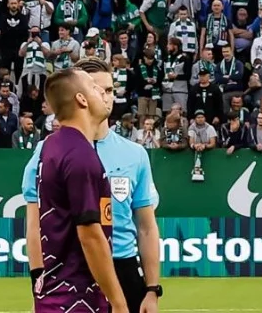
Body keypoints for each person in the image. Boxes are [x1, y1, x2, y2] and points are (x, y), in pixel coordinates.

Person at [24, 59, 164, 313]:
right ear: (81, 97)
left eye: (110, 90)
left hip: (123, 268)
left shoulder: (135, 154)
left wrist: (152, 288)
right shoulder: (53, 151)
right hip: (75, 271)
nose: (106, 96)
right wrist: (38, 279)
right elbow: (36, 224)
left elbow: (146, 227)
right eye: (97, 89)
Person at [33, 67, 132, 313]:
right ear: (81, 99)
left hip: (56, 294)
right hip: (76, 299)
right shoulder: (80, 156)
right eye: (93, 86)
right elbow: (89, 234)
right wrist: (119, 303)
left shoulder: (52, 146)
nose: (102, 92)